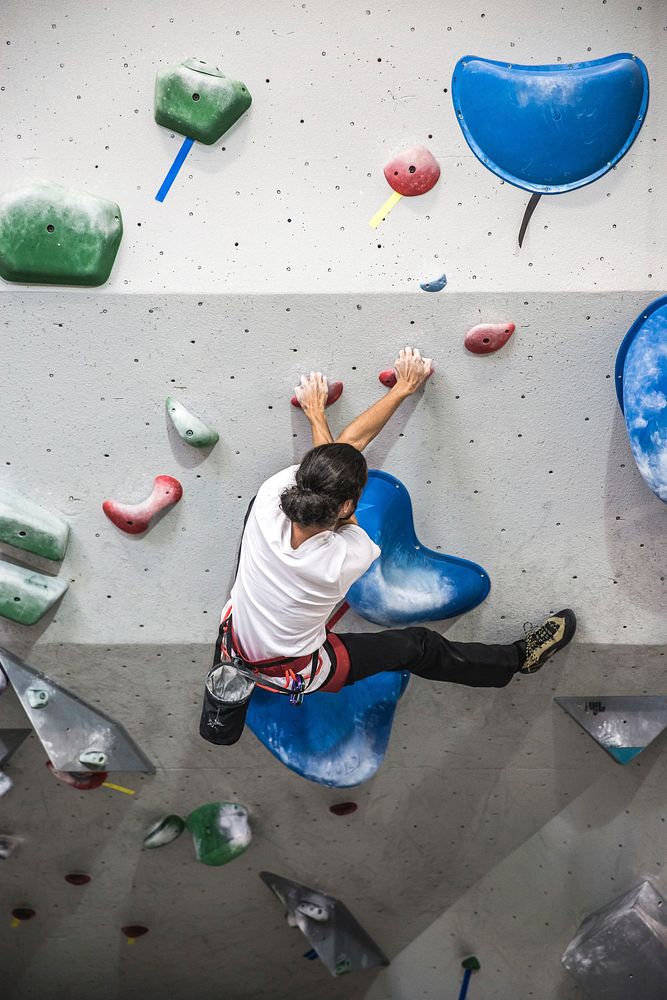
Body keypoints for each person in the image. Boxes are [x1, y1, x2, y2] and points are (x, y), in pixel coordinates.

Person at [200, 347, 576, 746]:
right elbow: (345, 452)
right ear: (346, 509)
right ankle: (519, 659)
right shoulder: (347, 555)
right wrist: (401, 389)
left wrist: (321, 412)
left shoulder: (269, 496)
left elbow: (334, 459)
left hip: (236, 638)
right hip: (299, 667)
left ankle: (228, 708)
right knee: (417, 646)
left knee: (260, 553)